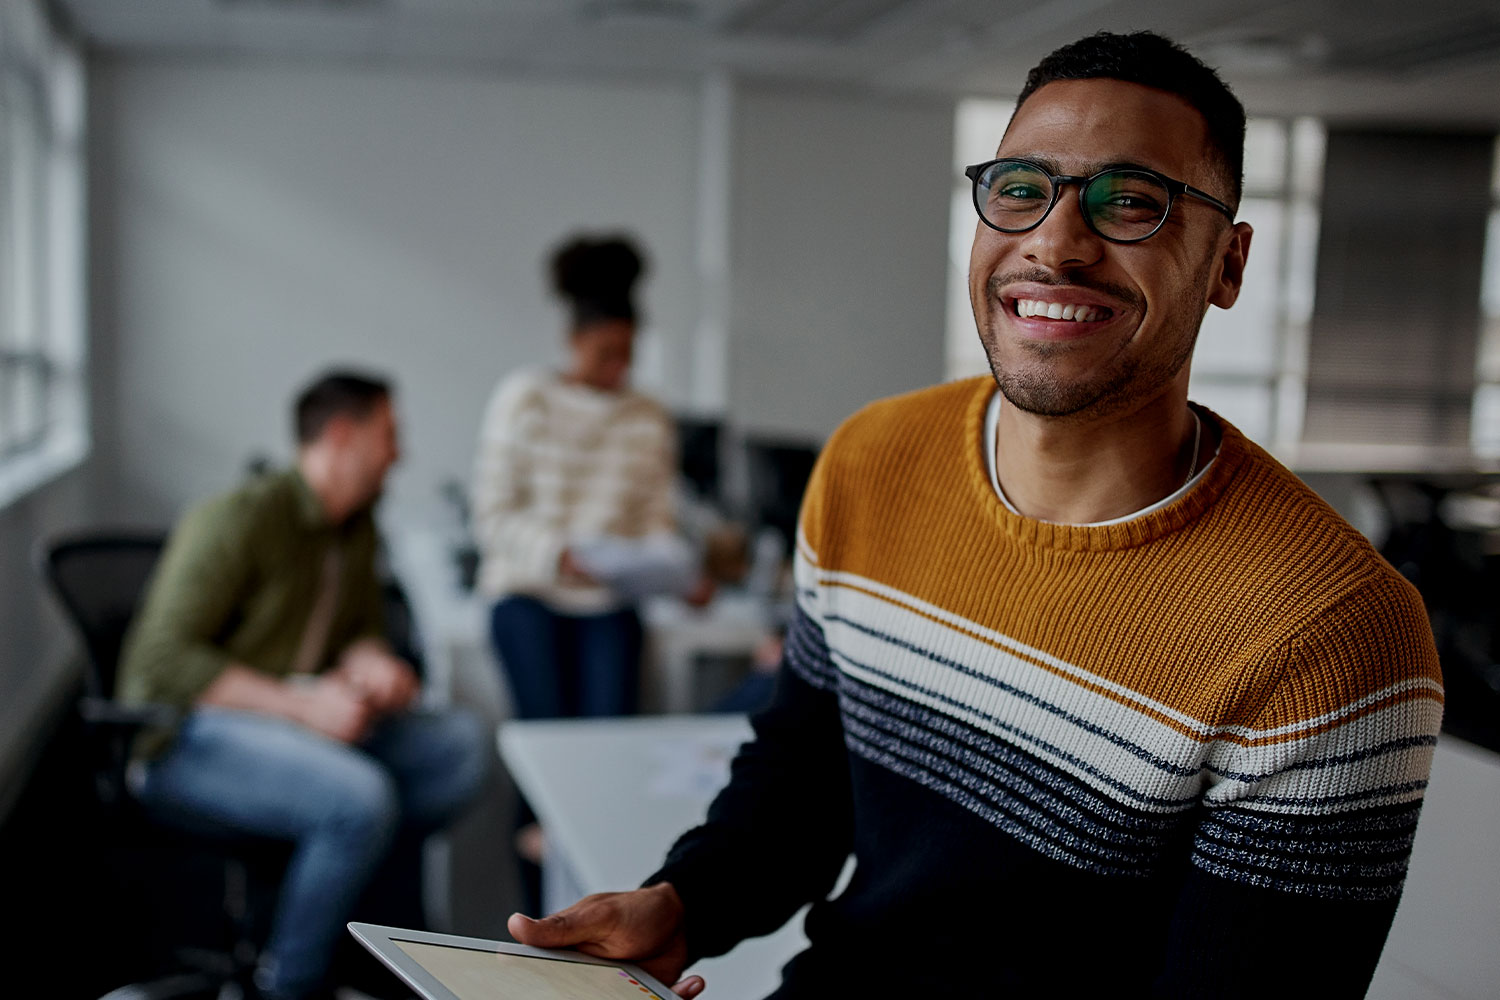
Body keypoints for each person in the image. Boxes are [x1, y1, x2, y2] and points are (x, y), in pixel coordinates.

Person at [506, 31, 1444, 999]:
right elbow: (807, 770)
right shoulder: (870, 463)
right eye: (1021, 187)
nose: (1056, 242)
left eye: (1131, 201)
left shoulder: (1335, 637)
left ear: (1228, 263)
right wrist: (686, 901)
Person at [119, 370, 489, 1000]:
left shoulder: (356, 525)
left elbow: (360, 629)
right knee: (360, 798)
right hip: (186, 736)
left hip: (296, 726)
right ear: (343, 436)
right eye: (389, 435)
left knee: (460, 745)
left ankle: (363, 925)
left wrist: (371, 663)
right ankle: (288, 981)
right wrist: (302, 707)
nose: (400, 454)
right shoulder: (240, 516)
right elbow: (157, 662)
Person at [472, 234, 704, 721]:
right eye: (604, 353)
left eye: (627, 354)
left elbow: (657, 521)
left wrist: (678, 574)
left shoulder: (648, 416)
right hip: (529, 595)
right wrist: (558, 556)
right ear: (572, 341)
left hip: (609, 603)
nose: (617, 368)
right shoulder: (525, 398)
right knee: (548, 742)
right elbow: (493, 514)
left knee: (607, 742)